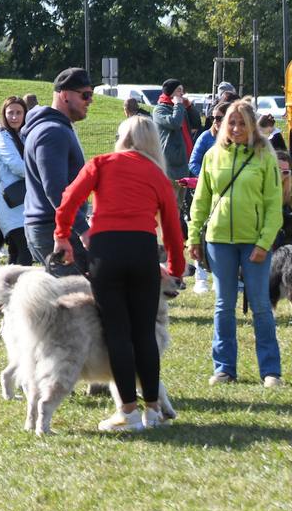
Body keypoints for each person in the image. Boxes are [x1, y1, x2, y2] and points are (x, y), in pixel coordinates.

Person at [54, 116, 185, 430]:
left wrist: (62, 237)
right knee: (143, 333)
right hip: (143, 251)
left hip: (106, 252)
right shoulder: (157, 174)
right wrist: (176, 269)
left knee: (118, 333)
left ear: (122, 138)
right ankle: (152, 411)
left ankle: (127, 412)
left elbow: (69, 200)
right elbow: (172, 229)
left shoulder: (101, 163)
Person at [189, 100, 283, 387]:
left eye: (242, 123)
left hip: (255, 243)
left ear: (253, 126)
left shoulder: (265, 158)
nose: (236, 128)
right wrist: (193, 237)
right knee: (223, 305)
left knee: (261, 307)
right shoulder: (212, 155)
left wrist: (264, 242)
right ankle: (224, 369)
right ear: (223, 125)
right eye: (231, 122)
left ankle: (270, 371)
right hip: (219, 242)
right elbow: (201, 200)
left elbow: (273, 205)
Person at [21, 68, 93, 271]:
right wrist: (82, 229)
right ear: (64, 95)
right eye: (85, 94)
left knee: (73, 299)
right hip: (51, 226)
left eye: (91, 94)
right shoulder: (52, 131)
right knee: (77, 300)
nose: (90, 100)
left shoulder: (55, 127)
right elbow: (55, 188)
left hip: (50, 225)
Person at [188, 101, 230, 294]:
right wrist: (205, 179)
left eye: (220, 118)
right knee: (202, 235)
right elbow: (194, 162)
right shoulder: (206, 137)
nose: (216, 121)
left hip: (230, 199)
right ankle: (201, 279)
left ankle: (227, 280)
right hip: (209, 193)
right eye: (214, 118)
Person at [0, 96, 31, 266]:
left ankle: (2, 291)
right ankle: (19, 291)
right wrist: (43, 173)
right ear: (4, 114)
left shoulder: (22, 135)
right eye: (10, 113)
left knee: (14, 251)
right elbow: (18, 167)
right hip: (11, 202)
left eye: (18, 113)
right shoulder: (1, 137)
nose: (14, 117)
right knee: (25, 252)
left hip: (23, 200)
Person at [153, 79, 193, 214]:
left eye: (182, 90)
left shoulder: (180, 107)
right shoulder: (160, 109)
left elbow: (196, 123)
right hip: (171, 166)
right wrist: (179, 106)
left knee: (179, 207)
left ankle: (173, 234)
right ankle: (164, 235)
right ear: (170, 93)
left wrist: (189, 106)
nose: (182, 93)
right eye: (178, 90)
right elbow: (175, 123)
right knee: (169, 208)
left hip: (184, 164)